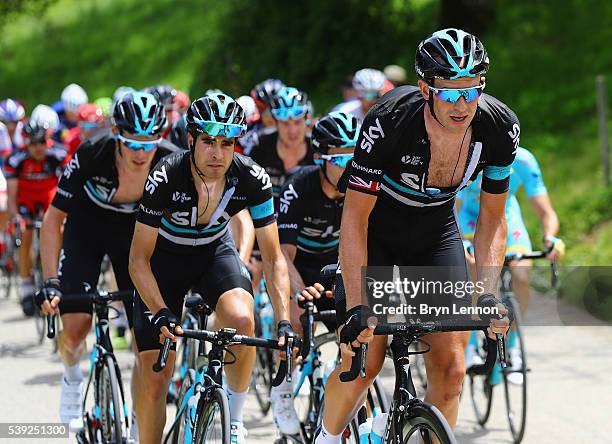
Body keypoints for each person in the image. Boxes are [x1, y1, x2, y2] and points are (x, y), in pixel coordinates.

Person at [314, 28, 518, 444]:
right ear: (425, 88)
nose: (462, 104)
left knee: (452, 368)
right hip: (378, 236)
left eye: (471, 90)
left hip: (434, 235)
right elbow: (354, 218)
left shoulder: (499, 128)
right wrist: (355, 306)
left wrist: (487, 293)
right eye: (448, 92)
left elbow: (492, 220)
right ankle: (326, 438)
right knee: (365, 361)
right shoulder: (390, 121)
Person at [128, 93, 294, 444]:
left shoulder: (252, 177)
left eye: (227, 143)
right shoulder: (165, 176)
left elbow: (274, 256)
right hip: (163, 261)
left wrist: (283, 322)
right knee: (156, 377)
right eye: (208, 141)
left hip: (213, 253)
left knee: (242, 319)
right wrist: (159, 311)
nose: (217, 153)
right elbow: (138, 259)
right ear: (191, 140)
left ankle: (233, 419)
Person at [37, 92, 179, 437]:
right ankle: (72, 377)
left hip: (134, 237)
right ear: (117, 133)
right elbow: (54, 217)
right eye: (132, 142)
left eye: (149, 142)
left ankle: (136, 418)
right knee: (75, 327)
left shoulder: (172, 161)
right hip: (87, 230)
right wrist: (52, 280)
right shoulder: (92, 153)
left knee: (144, 342)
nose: (141, 152)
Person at [272, 111, 358, 436]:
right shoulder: (300, 186)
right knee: (295, 320)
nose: (349, 167)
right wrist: (300, 289)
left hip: (337, 265)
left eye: (355, 156)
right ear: (321, 158)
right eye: (340, 159)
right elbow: (283, 254)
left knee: (359, 337)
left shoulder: (361, 186)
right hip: (300, 266)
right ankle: (282, 390)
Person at [457, 146, 565, 383]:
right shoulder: (468, 155)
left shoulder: (525, 160)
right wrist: (458, 241)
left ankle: (513, 347)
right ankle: (472, 344)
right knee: (477, 267)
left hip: (506, 216)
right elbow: (452, 207)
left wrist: (550, 237)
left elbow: (546, 212)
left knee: (522, 274)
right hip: (469, 218)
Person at [4, 122, 68, 316]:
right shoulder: (15, 160)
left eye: (42, 142)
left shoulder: (59, 155)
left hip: (49, 197)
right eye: (33, 143)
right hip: (26, 200)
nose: (38, 147)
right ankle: (25, 286)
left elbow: (67, 187)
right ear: (26, 143)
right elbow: (12, 196)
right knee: (24, 232)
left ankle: (57, 278)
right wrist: (15, 217)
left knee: (61, 229)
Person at [238, 78, 286, 155]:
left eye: (276, 108)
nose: (269, 115)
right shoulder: (245, 131)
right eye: (262, 108)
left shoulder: (299, 128)